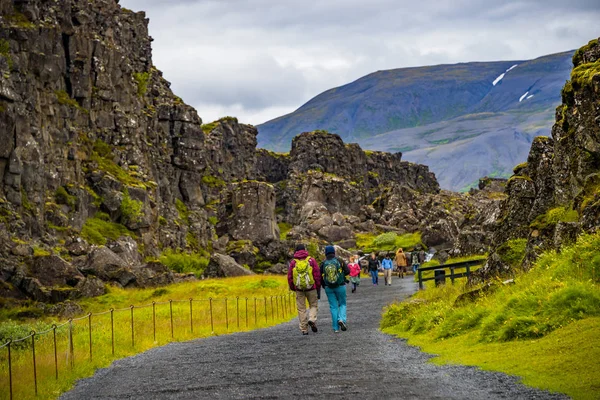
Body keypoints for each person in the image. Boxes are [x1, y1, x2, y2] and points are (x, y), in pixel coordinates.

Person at [288, 243, 321, 335]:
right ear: (305, 250)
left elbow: (290, 277)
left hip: (299, 289)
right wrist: (317, 286)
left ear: (296, 251)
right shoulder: (311, 260)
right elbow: (317, 274)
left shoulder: (293, 262)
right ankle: (312, 319)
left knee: (301, 309)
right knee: (313, 305)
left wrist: (293, 287)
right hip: (311, 288)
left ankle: (304, 329)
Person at [320, 245, 350, 333]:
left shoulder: (323, 262)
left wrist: (323, 285)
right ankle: (341, 319)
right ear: (333, 252)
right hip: (340, 286)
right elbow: (348, 271)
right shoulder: (339, 260)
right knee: (342, 304)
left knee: (333, 307)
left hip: (328, 287)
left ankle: (335, 328)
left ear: (326, 253)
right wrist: (342, 276)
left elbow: (319, 275)